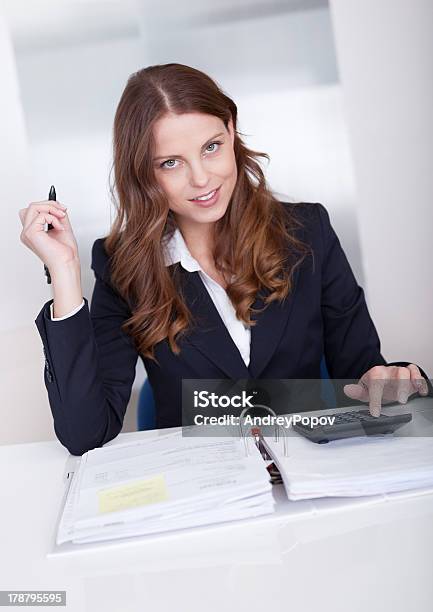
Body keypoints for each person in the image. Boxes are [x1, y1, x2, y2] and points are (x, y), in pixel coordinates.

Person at [19, 63, 431, 456]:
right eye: (170, 163)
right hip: (204, 499)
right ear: (143, 175)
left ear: (231, 130)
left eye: (211, 147)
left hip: (314, 479)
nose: (201, 178)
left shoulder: (309, 232)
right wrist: (64, 271)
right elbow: (85, 433)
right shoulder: (121, 265)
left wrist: (389, 379)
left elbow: (361, 375)